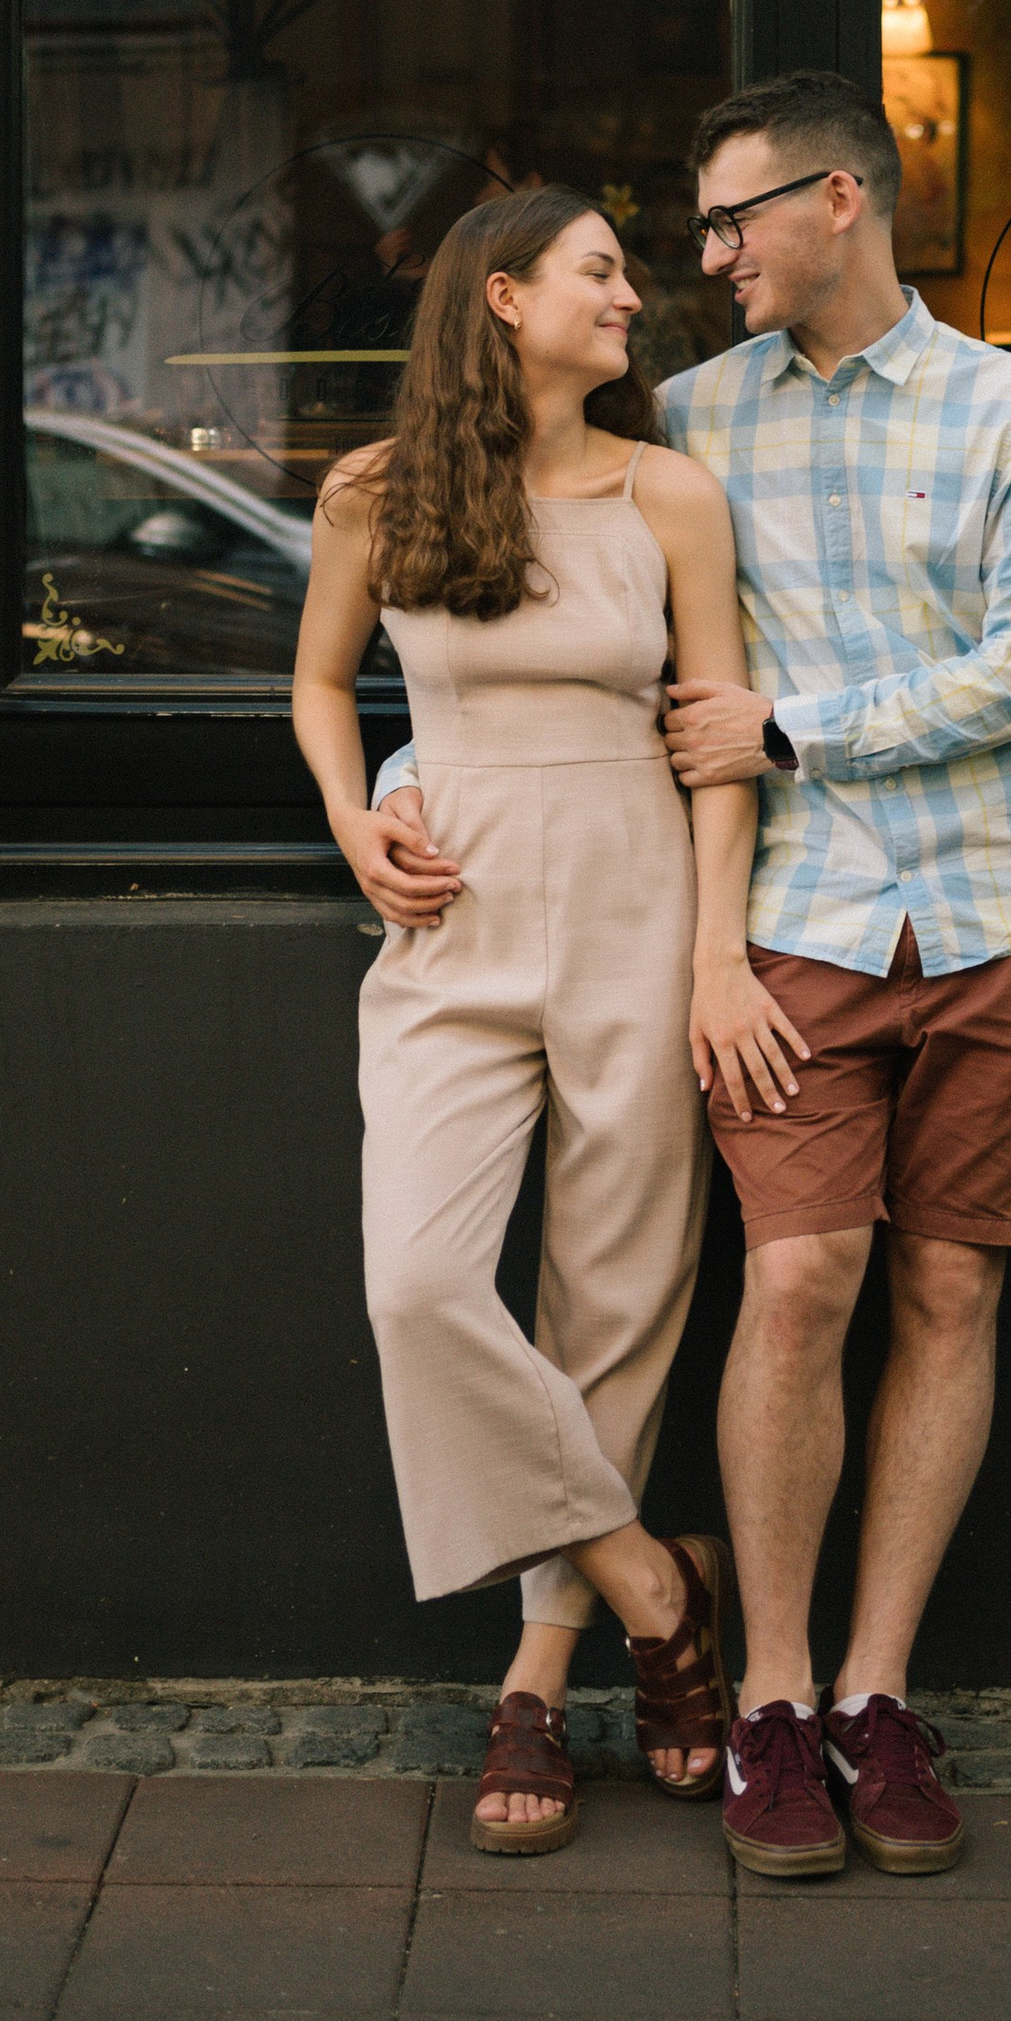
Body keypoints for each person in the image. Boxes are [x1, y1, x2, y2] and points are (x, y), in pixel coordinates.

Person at [291, 186, 809, 1855]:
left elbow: (719, 743)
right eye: (602, 270)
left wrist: (718, 953)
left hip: (635, 911)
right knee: (422, 1283)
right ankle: (658, 1582)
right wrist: (349, 817)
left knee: (615, 1308)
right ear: (503, 298)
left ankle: (535, 1679)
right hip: (451, 923)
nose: (635, 294)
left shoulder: (671, 494)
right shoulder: (375, 492)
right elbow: (319, 683)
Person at [660, 70, 1011, 1879]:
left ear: (841, 200)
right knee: (799, 1281)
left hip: (1008, 910)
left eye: (733, 218)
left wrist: (792, 727)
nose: (707, 255)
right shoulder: (687, 419)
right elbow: (600, 640)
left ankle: (875, 1695)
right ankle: (769, 1701)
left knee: (955, 1296)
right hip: (800, 931)